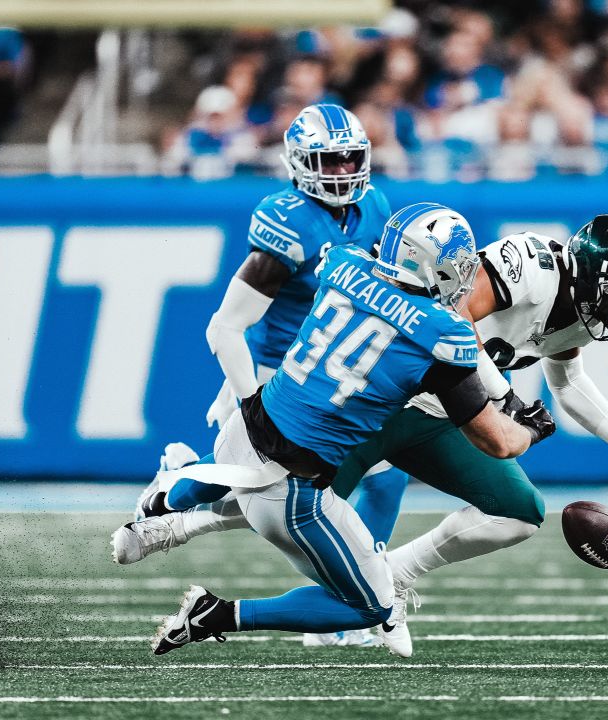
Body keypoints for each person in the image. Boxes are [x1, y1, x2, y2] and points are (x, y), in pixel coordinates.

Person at [116, 217, 608, 657]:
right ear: (595, 272)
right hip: (391, 399)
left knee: (520, 511)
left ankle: (393, 581)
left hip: (449, 417)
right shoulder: (533, 266)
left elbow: (568, 384)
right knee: (280, 491)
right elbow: (457, 315)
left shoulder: (573, 315)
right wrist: (507, 399)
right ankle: (177, 514)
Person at [197, 103, 410, 648]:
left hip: (337, 377)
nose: (341, 172)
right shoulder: (288, 219)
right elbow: (225, 326)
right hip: (282, 381)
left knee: (384, 478)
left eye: (349, 160)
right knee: (268, 501)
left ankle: (355, 603)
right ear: (299, 163)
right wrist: (249, 402)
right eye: (328, 161)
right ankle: (182, 486)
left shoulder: (375, 205)